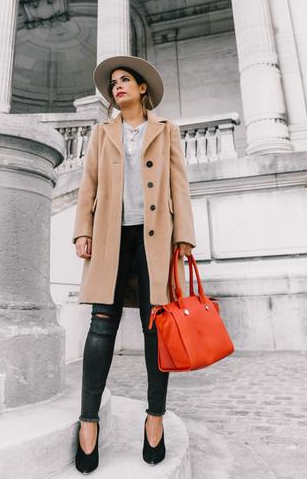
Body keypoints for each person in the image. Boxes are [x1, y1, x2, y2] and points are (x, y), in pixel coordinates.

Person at [72, 55, 196, 474]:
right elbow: (87, 184)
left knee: (154, 328)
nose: (117, 86)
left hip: (155, 239)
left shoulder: (166, 131)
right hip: (110, 236)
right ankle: (88, 421)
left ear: (143, 89)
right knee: (100, 324)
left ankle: (154, 417)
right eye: (114, 82)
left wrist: (184, 237)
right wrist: (81, 230)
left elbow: (179, 186)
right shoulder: (101, 132)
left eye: (126, 80)